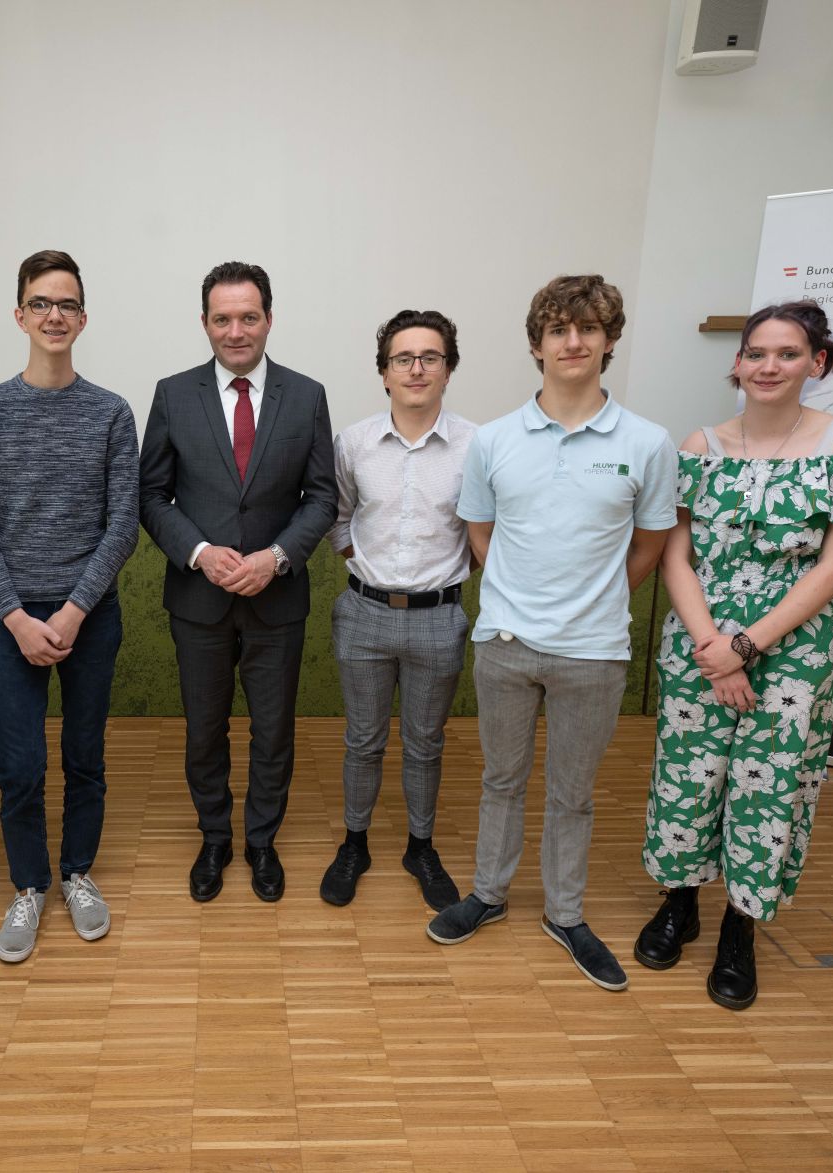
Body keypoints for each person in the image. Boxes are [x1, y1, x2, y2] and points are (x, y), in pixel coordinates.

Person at [427, 275, 677, 996]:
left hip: (594, 652)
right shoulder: (494, 440)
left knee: (572, 793)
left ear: (608, 340)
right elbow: (481, 533)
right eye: (558, 329)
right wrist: (520, 598)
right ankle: (488, 893)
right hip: (505, 644)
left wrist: (592, 602)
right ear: (536, 344)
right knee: (500, 779)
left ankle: (565, 914)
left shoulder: (648, 443)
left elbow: (651, 544)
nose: (573, 341)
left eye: (588, 328)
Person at [636, 299, 833, 1010]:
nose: (768, 365)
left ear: (818, 361)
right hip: (699, 642)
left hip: (791, 652)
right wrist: (713, 647)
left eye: (787, 353)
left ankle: (738, 927)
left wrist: (747, 646)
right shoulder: (702, 445)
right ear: (738, 362)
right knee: (688, 778)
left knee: (767, 789)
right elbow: (675, 556)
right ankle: (679, 902)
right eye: (756, 353)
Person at [0, 250, 139, 964]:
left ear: (83, 318)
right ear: (20, 315)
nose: (54, 315)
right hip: (13, 618)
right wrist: (15, 616)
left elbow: (122, 524)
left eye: (66, 304)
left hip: (88, 615)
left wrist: (72, 611)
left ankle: (77, 872)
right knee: (20, 764)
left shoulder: (111, 412)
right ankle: (30, 884)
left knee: (85, 755)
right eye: (41, 303)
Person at [140, 261, 337, 903]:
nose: (236, 331)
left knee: (274, 731)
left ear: (269, 319)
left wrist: (276, 557)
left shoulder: (306, 396)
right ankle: (215, 838)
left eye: (248, 317)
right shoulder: (173, 394)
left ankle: (261, 842)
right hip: (199, 599)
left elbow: (322, 498)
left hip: (277, 598)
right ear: (204, 323)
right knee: (204, 730)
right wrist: (199, 553)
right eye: (222, 319)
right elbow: (152, 495)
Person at [320, 309, 476, 911]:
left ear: (448, 369)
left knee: (425, 741)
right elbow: (337, 516)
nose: (416, 368)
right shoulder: (354, 442)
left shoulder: (477, 445)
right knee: (362, 739)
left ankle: (420, 846)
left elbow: (486, 530)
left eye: (429, 357)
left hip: (439, 616)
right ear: (384, 372)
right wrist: (365, 565)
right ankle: (354, 843)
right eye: (402, 358)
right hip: (365, 613)